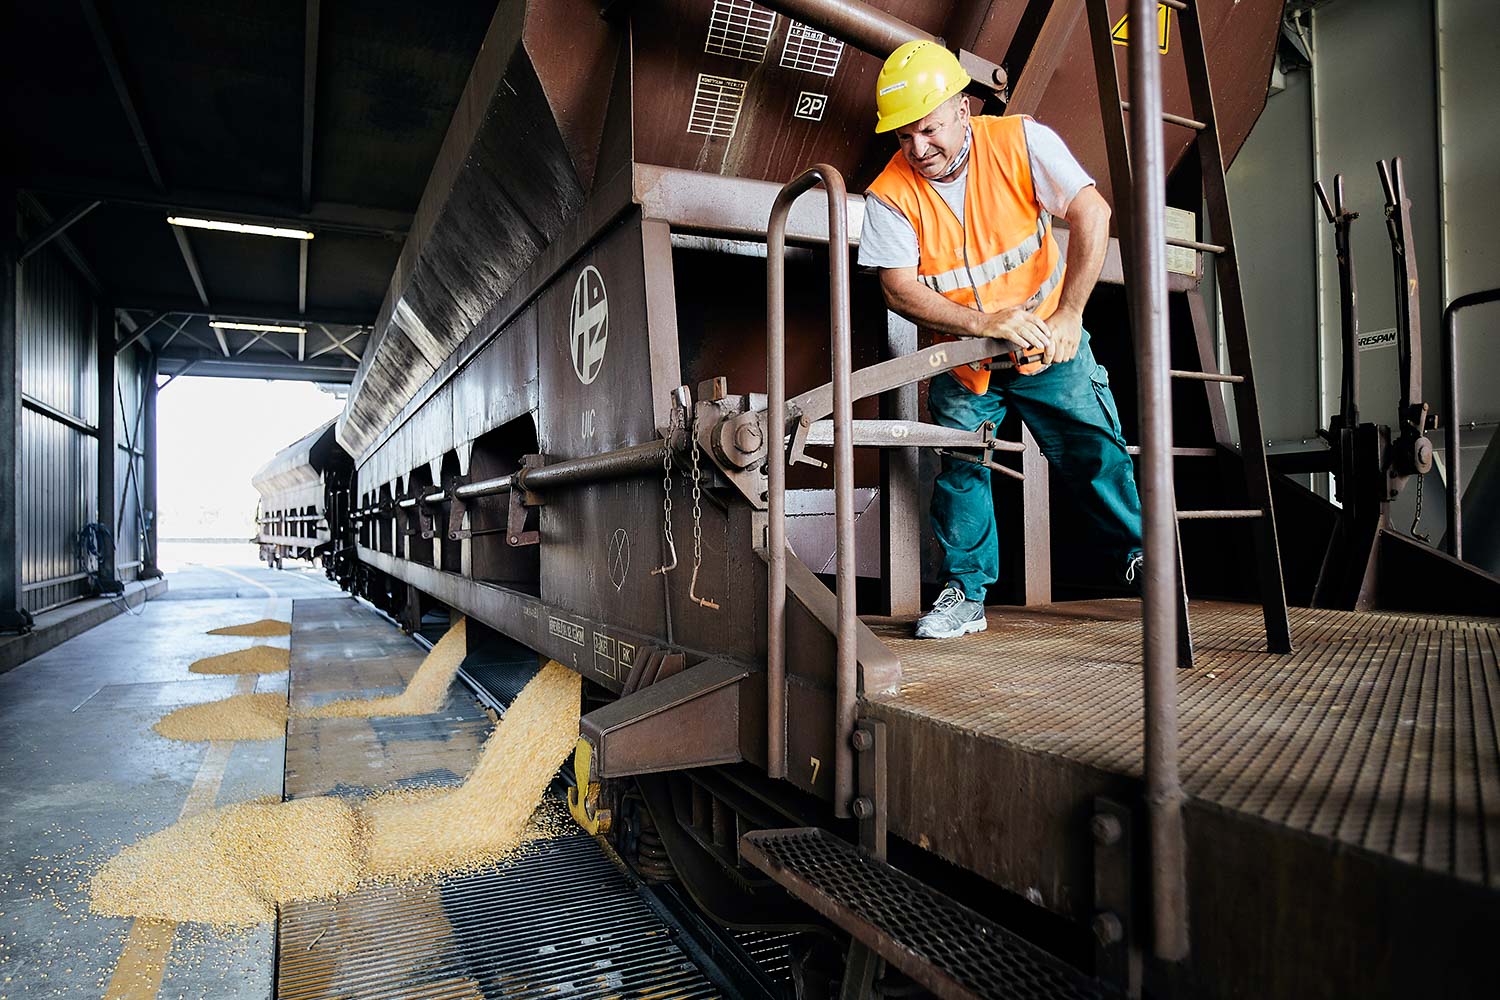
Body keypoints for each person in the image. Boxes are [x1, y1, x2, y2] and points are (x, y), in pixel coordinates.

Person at [859, 40, 1144, 639]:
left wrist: (1069, 316)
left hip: (1048, 343)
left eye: (930, 130)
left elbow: (1093, 214)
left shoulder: (1021, 141)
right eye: (904, 137)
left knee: (1096, 454)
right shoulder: (889, 193)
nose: (918, 149)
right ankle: (965, 593)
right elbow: (898, 290)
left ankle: (1145, 557)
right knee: (962, 470)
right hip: (967, 364)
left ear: (964, 110)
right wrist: (983, 325)